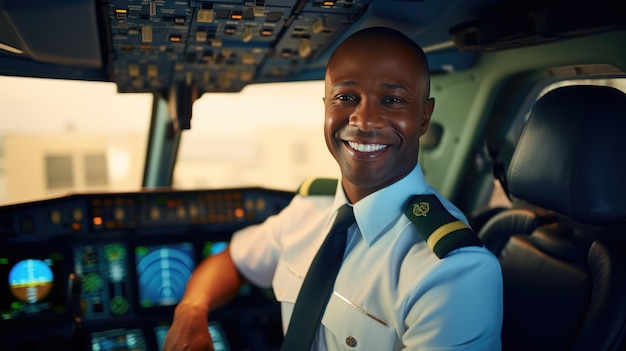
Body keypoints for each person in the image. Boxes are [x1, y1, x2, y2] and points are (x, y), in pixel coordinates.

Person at [163, 26, 503, 351]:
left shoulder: (453, 272)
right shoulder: (309, 209)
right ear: (325, 105)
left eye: (393, 100)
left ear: (424, 117)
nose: (364, 121)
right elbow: (234, 261)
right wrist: (191, 312)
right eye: (346, 96)